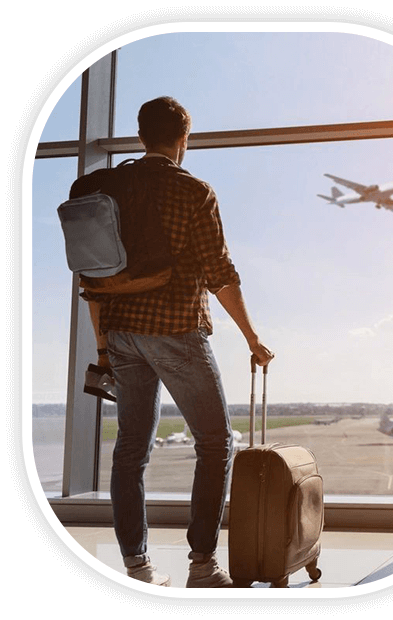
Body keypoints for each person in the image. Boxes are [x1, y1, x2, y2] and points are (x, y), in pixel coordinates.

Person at [74, 96, 273, 587]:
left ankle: (137, 567)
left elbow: (92, 278)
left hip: (121, 332)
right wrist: (252, 336)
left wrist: (104, 346)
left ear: (142, 137)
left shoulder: (109, 187)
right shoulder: (193, 191)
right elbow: (220, 274)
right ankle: (202, 565)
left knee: (131, 449)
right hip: (175, 330)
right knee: (217, 440)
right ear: (183, 139)